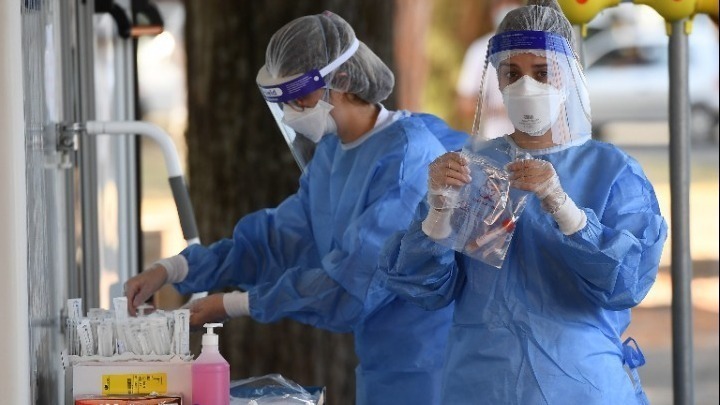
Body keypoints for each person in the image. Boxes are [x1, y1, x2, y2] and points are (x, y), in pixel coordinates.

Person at [124, 11, 467, 405]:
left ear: (341, 81)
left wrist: (232, 304)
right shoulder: (332, 156)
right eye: (282, 101)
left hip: (431, 367)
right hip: (383, 362)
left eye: (298, 97)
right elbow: (274, 241)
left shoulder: (408, 159)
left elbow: (353, 285)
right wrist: (172, 269)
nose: (290, 112)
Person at [379, 0, 668, 403]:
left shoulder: (612, 172)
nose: (525, 86)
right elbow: (427, 290)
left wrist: (565, 210)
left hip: (579, 385)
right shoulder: (469, 168)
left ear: (567, 75)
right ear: (496, 79)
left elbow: (627, 283)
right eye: (512, 73)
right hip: (483, 384)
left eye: (542, 72)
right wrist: (438, 218)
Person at [455, 0, 523, 138]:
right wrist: (498, 110)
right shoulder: (480, 51)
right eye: (503, 5)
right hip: (493, 140)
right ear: (493, 10)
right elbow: (464, 103)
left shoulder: (538, 49)